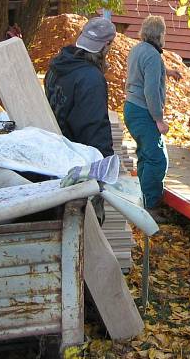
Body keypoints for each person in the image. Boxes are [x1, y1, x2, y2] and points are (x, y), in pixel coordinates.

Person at [124, 15, 181, 222]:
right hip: (143, 111)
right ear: (160, 35)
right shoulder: (153, 56)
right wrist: (159, 119)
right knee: (157, 159)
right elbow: (151, 91)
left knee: (145, 155)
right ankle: (149, 205)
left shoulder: (138, 49)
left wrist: (168, 71)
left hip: (131, 107)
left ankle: (141, 196)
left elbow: (145, 69)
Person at [44, 16, 117, 158]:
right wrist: (105, 162)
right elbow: (94, 126)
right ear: (107, 45)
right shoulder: (91, 78)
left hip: (54, 150)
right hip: (78, 158)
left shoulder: (56, 66)